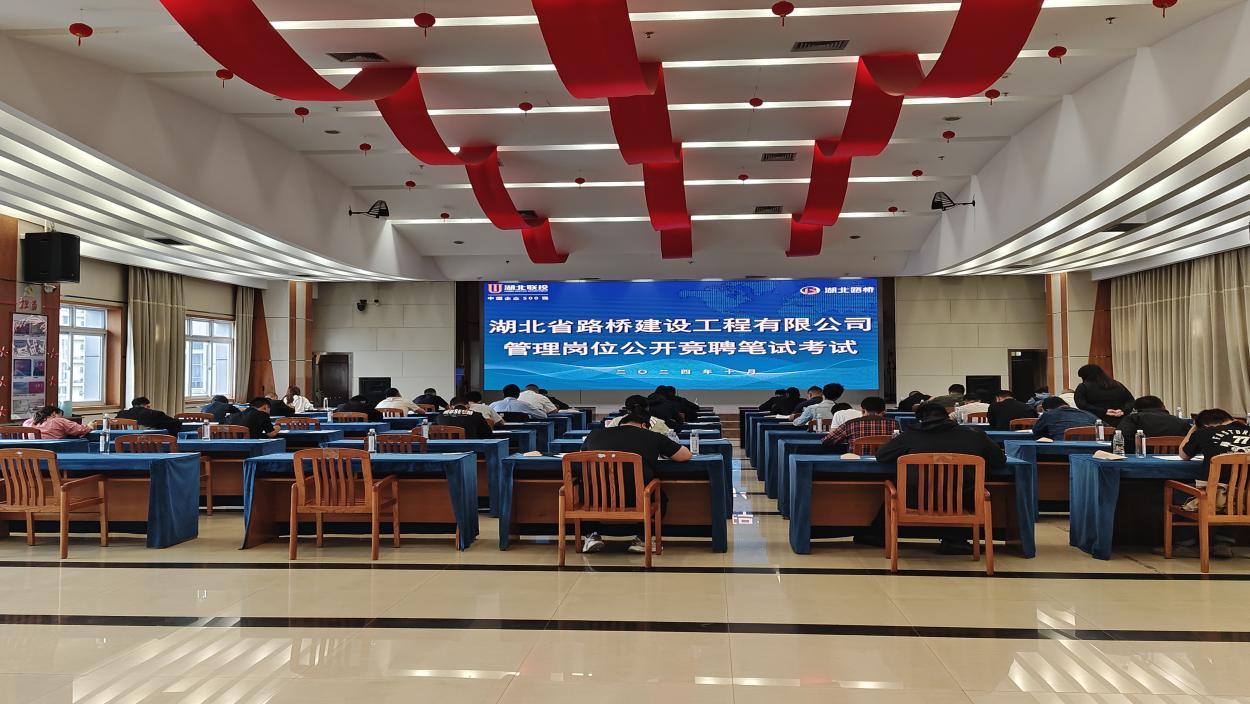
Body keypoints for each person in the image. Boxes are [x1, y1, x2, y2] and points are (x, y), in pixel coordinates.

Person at [870, 402, 1006, 554]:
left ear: (920, 420)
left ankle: (878, 534)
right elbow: (999, 461)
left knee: (896, 486)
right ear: (947, 416)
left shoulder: (910, 435)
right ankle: (955, 538)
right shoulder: (975, 434)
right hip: (963, 499)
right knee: (960, 488)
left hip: (915, 500)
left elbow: (881, 456)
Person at [580, 404, 692, 554]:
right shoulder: (652, 436)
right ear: (644, 426)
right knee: (659, 496)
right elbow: (685, 455)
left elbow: (582, 455)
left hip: (595, 498)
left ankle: (591, 536)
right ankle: (643, 539)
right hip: (637, 498)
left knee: (583, 487)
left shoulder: (594, 434)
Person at [1176, 409, 1250, 558]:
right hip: (1246, 499)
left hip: (1216, 498)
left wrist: (1194, 428)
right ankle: (1224, 543)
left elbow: (1183, 455)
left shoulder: (1204, 433)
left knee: (1174, 492)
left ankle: (1185, 544)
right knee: (1235, 496)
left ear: (1205, 425)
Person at [820, 397, 898, 453]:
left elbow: (827, 441)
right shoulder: (894, 424)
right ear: (884, 411)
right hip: (886, 464)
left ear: (863, 410)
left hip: (856, 465)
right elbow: (898, 443)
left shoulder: (850, 424)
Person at [1118, 395, 1192, 439]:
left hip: (1139, 459)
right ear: (1163, 407)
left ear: (1136, 409)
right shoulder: (1181, 422)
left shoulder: (1132, 419)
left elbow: (1120, 438)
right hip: (1177, 460)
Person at [1032, 397, 1100, 440]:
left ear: (1048, 410)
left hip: (1061, 452)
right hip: (1093, 451)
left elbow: (1036, 431)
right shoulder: (1088, 413)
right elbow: (1104, 428)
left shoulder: (1049, 414)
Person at [606, 396, 674, 435]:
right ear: (647, 408)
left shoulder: (616, 421)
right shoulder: (659, 423)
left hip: (620, 455)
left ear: (627, 410)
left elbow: (606, 438)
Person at [116, 397, 182, 433]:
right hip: (150, 442)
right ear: (146, 405)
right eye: (148, 406)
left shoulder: (121, 414)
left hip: (124, 440)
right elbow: (175, 423)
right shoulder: (154, 414)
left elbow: (114, 425)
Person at [23, 405, 90, 438]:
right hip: (52, 453)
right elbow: (81, 430)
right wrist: (90, 426)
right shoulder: (58, 421)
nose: (62, 418)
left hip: (28, 455)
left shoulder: (27, 422)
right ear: (54, 414)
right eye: (60, 415)